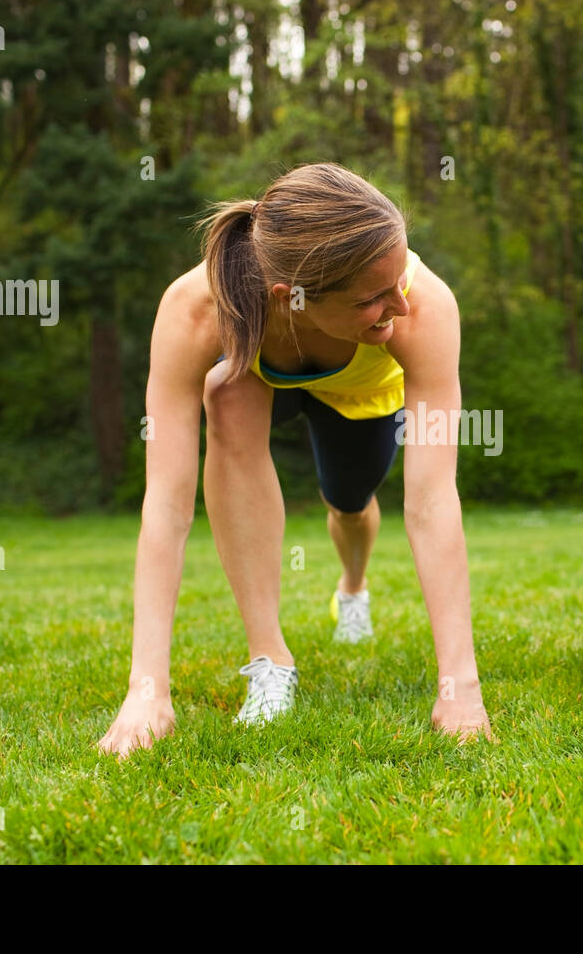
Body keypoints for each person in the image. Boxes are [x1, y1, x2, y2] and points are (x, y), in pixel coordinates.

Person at [97, 163, 491, 758]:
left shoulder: (425, 308)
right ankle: (269, 658)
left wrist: (460, 688)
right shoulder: (196, 309)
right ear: (291, 296)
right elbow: (168, 503)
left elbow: (432, 500)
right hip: (259, 376)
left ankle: (352, 586)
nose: (401, 305)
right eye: (374, 299)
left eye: (398, 280)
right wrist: (145, 689)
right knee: (226, 390)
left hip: (361, 393)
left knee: (350, 503)